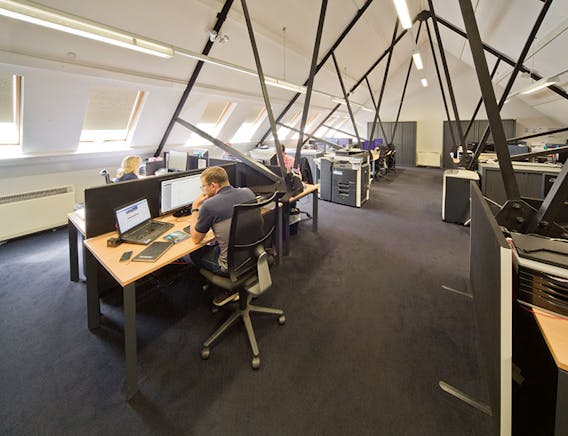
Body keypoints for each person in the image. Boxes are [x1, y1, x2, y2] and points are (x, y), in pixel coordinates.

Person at [188, 166, 256, 305]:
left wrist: (195, 208)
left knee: (192, 254)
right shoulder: (248, 192)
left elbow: (195, 238)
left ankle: (219, 290)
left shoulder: (209, 205)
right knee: (214, 244)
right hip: (252, 254)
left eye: (203, 187)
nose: (202, 191)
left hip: (228, 265)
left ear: (213, 186)